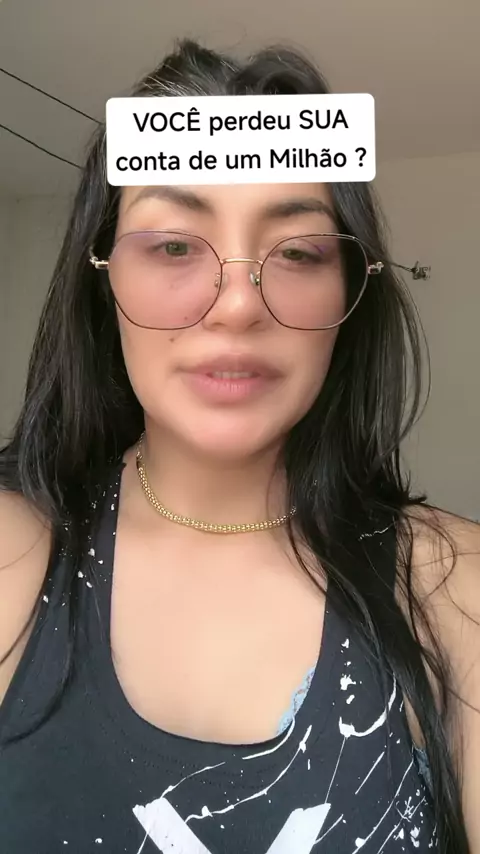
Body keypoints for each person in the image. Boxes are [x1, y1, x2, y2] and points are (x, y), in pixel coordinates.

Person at [0, 39, 478, 854]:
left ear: (350, 292)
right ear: (103, 277)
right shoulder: (14, 555)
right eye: (174, 245)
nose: (236, 305)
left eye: (296, 252)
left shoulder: (456, 590)